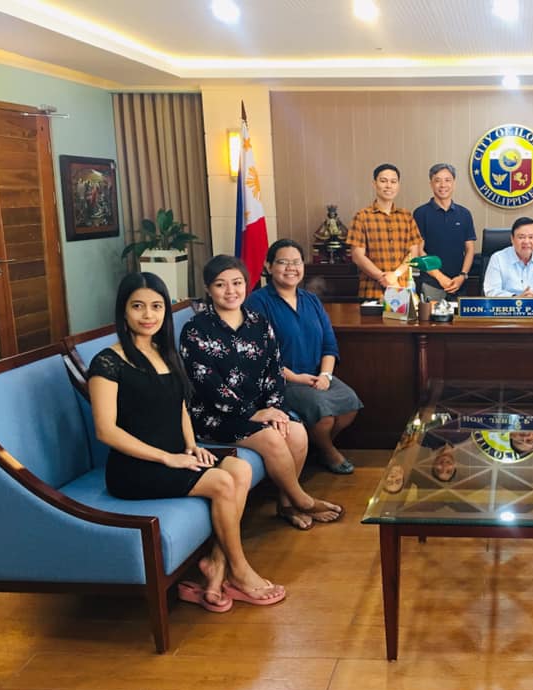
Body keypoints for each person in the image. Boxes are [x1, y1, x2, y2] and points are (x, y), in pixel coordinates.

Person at [88, 272, 284, 610]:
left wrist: (191, 445)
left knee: (239, 468)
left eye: (156, 306)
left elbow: (180, 405)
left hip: (175, 455)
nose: (148, 315)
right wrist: (169, 458)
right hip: (135, 469)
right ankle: (239, 571)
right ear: (123, 311)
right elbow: (106, 431)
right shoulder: (108, 362)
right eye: (138, 306)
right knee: (223, 481)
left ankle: (216, 566)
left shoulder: (164, 353)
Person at [180, 255, 343, 532]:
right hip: (215, 415)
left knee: (296, 432)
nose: (231, 291)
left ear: (247, 284)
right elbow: (208, 384)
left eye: (237, 283)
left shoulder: (258, 322)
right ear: (208, 289)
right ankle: (302, 500)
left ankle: (285, 504)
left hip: (260, 409)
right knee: (272, 439)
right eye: (221, 285)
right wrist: (253, 413)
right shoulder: (196, 330)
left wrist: (273, 408)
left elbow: (274, 370)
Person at [245, 239, 363, 475]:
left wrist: (326, 375)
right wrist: (297, 378)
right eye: (283, 262)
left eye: (296, 262)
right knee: (324, 416)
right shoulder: (257, 302)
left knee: (350, 404)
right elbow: (262, 355)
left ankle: (315, 446)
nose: (291, 268)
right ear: (268, 266)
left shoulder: (311, 300)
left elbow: (329, 344)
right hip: (281, 380)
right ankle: (329, 452)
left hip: (316, 374)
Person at [349, 163, 423, 301]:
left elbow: (414, 253)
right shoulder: (362, 217)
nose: (388, 186)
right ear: (374, 184)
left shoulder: (407, 217)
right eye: (383, 181)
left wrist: (395, 274)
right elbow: (357, 256)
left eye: (393, 182)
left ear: (398, 185)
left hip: (403, 289)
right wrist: (381, 277)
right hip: (372, 291)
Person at [413, 163, 476, 302]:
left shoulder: (464, 214)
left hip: (459, 283)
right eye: (438, 180)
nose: (443, 185)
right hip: (431, 283)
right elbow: (419, 250)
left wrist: (462, 276)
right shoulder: (421, 213)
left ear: (454, 183)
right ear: (431, 184)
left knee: (459, 322)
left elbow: (470, 249)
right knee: (430, 322)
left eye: (447, 180)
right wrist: (440, 277)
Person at [483, 217, 533, 298]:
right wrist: (517, 298)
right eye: (521, 237)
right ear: (512, 239)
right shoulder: (498, 259)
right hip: (507, 307)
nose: (526, 242)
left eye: (531, 237)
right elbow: (491, 291)